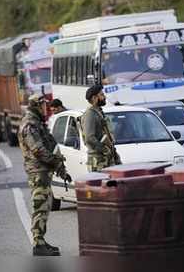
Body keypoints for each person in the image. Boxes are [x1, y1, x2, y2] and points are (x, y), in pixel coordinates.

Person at [18, 94, 72, 256]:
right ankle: (38, 243)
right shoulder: (30, 125)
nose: (45, 108)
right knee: (40, 206)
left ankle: (41, 241)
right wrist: (55, 162)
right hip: (37, 172)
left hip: (42, 171)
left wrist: (61, 169)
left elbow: (50, 145)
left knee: (44, 206)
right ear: (35, 106)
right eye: (42, 105)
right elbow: (38, 150)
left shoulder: (37, 123)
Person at [81, 84, 122, 172]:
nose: (104, 97)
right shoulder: (90, 114)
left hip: (106, 159)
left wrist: (114, 154)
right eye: (102, 95)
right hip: (98, 161)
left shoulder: (99, 112)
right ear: (94, 98)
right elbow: (89, 138)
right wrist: (104, 149)